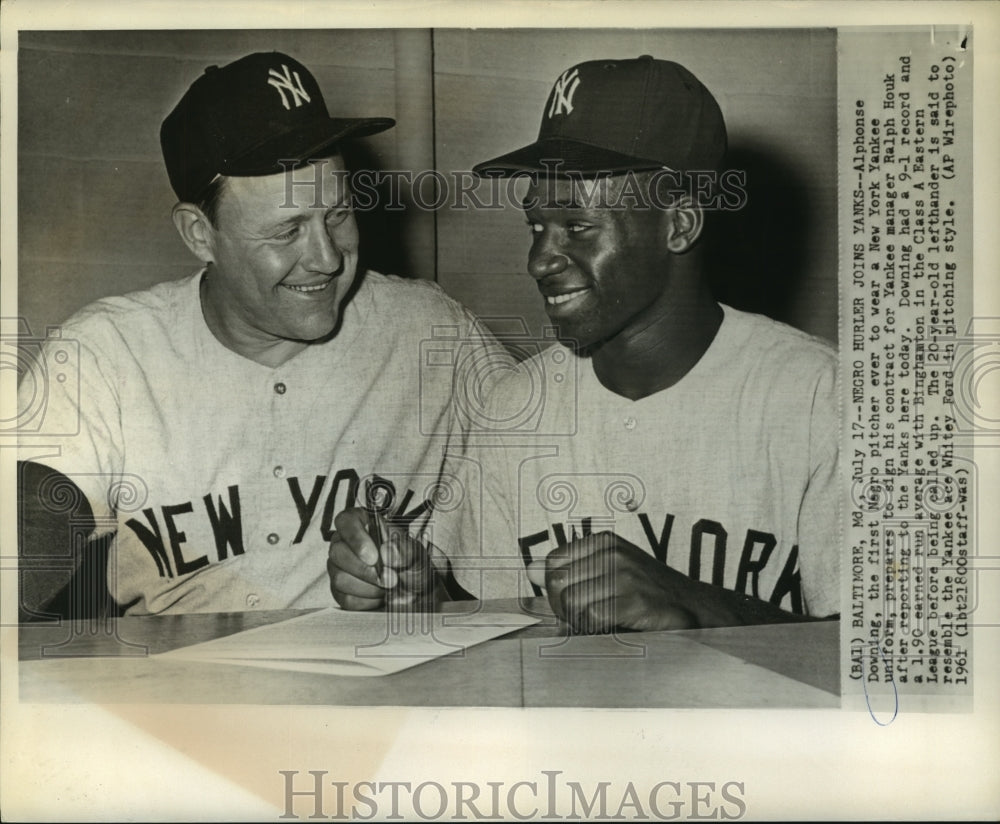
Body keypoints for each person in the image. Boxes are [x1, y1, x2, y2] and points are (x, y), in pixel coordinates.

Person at [328, 56, 841, 634]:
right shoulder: (511, 407)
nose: (539, 260)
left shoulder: (823, 399)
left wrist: (700, 605)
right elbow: (491, 642)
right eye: (535, 226)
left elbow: (893, 676)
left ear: (679, 224)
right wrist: (419, 598)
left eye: (577, 227)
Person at [17, 51, 500, 617]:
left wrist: (431, 595)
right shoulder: (108, 355)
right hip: (180, 695)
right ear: (200, 234)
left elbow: (568, 481)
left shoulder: (432, 333)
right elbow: (25, 537)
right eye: (287, 230)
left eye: (338, 215)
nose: (325, 258)